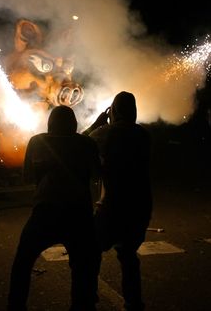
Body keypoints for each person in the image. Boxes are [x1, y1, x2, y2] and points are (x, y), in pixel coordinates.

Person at [8, 105, 101, 311]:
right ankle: (82, 306)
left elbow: (28, 177)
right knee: (84, 266)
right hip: (79, 213)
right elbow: (96, 174)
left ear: (50, 124)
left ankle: (15, 306)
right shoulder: (87, 143)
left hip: (45, 211)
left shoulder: (37, 141)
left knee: (22, 262)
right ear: (74, 124)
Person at [84, 91, 152, 311]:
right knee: (129, 256)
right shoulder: (143, 135)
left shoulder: (103, 133)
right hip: (140, 205)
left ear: (112, 111)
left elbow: (80, 145)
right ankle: (134, 303)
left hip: (112, 205)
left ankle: (87, 298)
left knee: (91, 251)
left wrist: (96, 124)